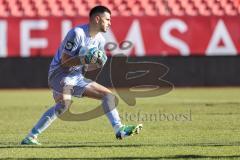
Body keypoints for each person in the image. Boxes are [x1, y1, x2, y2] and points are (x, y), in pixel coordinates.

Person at [21, 5, 142, 145]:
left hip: (76, 76)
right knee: (64, 104)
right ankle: (31, 136)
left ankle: (119, 129)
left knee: (108, 96)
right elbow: (64, 61)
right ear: (97, 19)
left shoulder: (100, 40)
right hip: (59, 74)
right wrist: (85, 58)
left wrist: (97, 63)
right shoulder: (77, 33)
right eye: (107, 19)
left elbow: (87, 67)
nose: (110, 23)